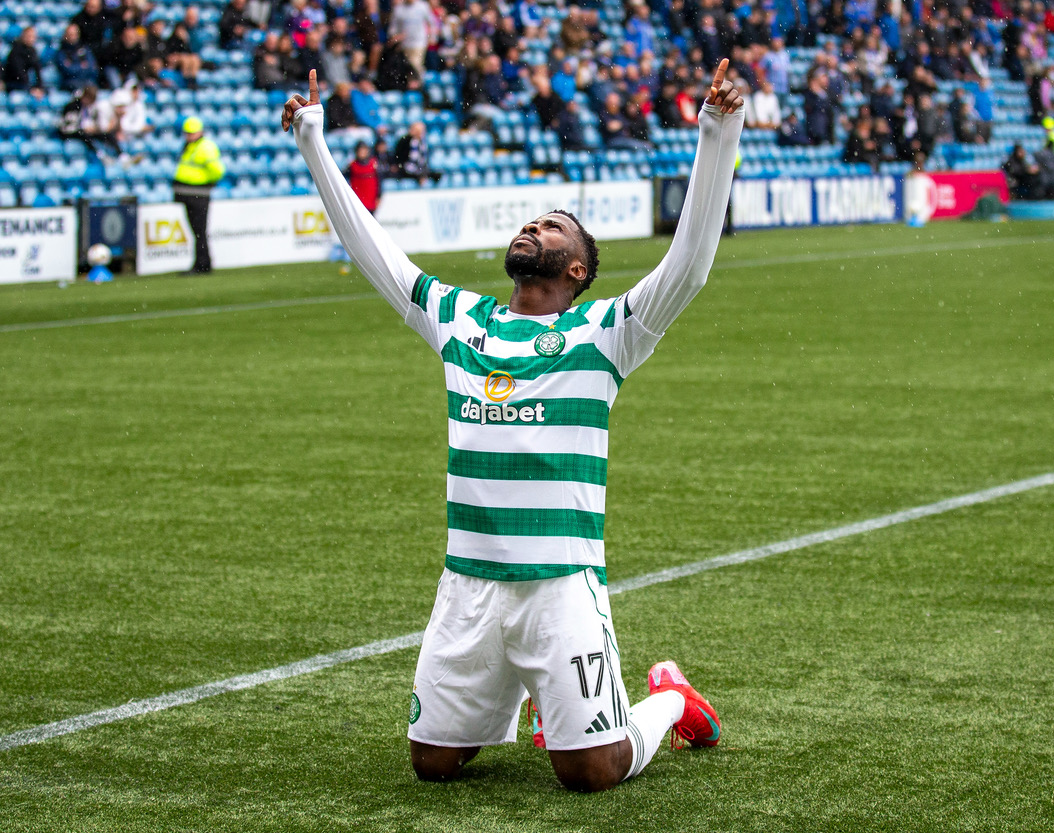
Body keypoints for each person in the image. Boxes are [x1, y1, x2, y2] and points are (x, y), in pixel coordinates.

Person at [281, 61, 743, 792]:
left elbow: (687, 267)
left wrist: (717, 133)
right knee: (433, 766)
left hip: (559, 585)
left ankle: (668, 701)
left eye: (553, 227)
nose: (535, 226)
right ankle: (539, 697)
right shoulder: (461, 318)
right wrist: (313, 140)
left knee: (592, 772)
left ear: (580, 268)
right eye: (532, 222)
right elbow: (373, 252)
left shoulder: (607, 331)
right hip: (467, 585)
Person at [172, 117, 224, 274]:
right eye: (187, 133)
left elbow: (217, 170)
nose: (188, 136)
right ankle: (203, 263)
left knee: (199, 230)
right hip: (189, 193)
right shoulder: (189, 146)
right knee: (197, 231)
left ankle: (202, 265)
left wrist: (206, 183)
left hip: (198, 194)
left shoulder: (205, 147)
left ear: (199, 132)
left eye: (191, 133)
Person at [343, 139, 380, 212]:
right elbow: (343, 178)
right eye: (360, 150)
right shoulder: (352, 166)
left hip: (370, 201)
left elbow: (379, 181)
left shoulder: (374, 164)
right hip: (357, 201)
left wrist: (379, 197)